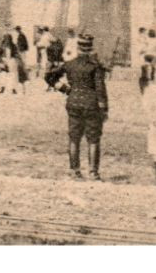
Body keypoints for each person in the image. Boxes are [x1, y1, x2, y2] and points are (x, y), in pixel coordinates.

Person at [44, 32, 108, 180]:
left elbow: (49, 77)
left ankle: (74, 171)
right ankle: (93, 172)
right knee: (93, 139)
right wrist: (104, 109)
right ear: (91, 48)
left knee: (74, 138)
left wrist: (65, 89)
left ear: (78, 48)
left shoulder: (70, 64)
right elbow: (100, 88)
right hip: (91, 104)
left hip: (73, 102)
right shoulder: (95, 66)